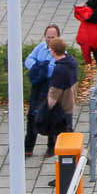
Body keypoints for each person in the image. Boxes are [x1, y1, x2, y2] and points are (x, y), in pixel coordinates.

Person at [23, 24, 64, 156]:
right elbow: (29, 60)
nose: (50, 39)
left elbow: (52, 70)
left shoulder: (61, 52)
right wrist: (40, 66)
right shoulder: (40, 47)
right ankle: (28, 147)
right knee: (31, 116)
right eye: (48, 37)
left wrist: (39, 67)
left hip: (51, 88)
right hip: (38, 87)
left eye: (53, 37)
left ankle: (51, 147)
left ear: (58, 37)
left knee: (50, 116)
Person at [36, 34, 78, 158]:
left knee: (62, 141)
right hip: (69, 105)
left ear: (54, 51)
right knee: (68, 135)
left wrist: (46, 109)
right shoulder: (71, 61)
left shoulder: (59, 69)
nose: (49, 50)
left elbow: (54, 94)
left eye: (51, 49)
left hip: (61, 110)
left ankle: (66, 171)